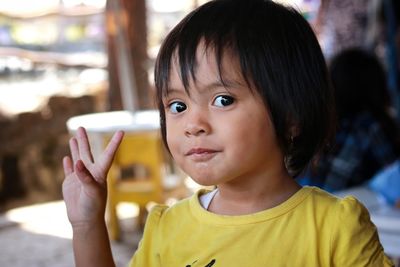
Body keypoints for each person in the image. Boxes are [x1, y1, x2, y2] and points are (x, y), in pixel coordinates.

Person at [62, 0, 394, 266]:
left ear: (292, 116)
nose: (193, 124)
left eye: (223, 99)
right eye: (177, 106)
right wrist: (87, 225)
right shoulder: (167, 227)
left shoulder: (334, 228)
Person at [298, 48, 400, 192]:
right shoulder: (371, 127)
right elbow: (394, 181)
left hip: (308, 205)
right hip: (345, 208)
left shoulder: (319, 122)